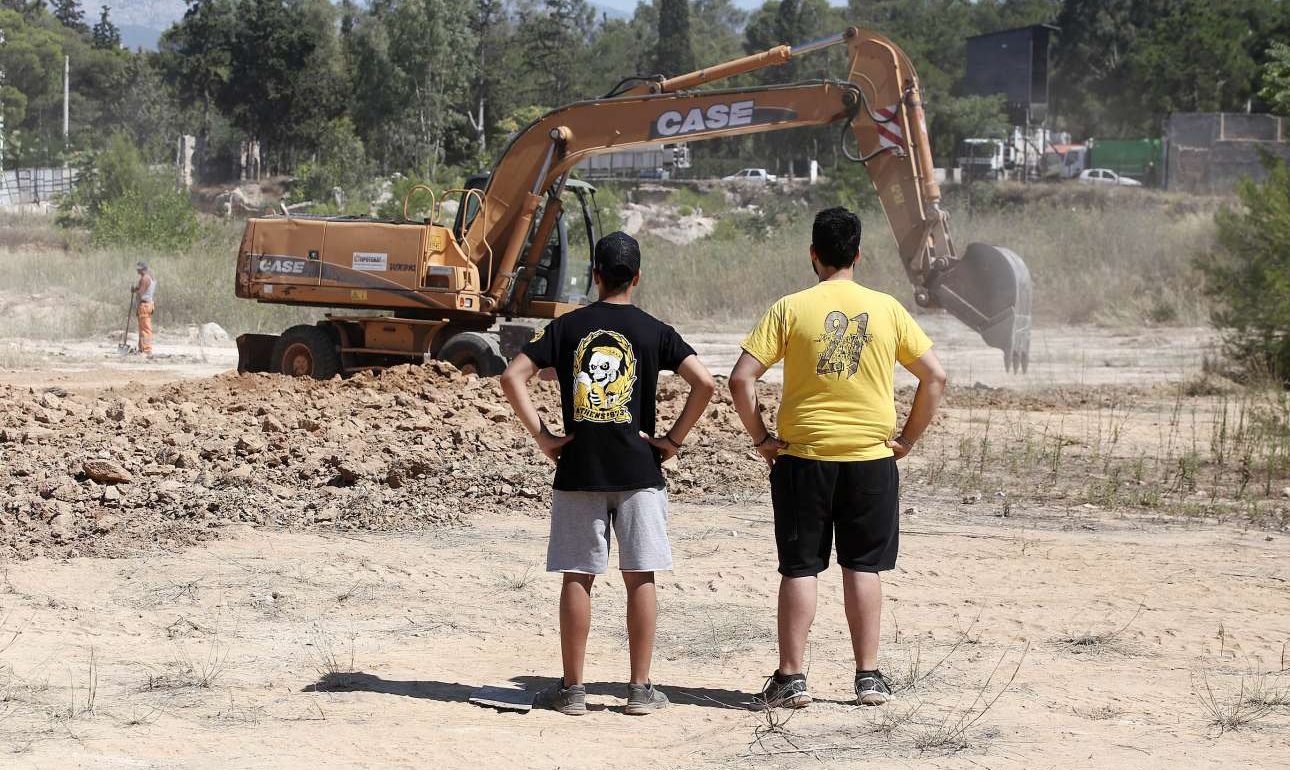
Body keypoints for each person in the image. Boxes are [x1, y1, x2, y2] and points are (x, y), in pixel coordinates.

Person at [729, 207, 946, 708]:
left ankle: (791, 678)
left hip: (803, 458)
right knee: (862, 567)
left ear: (813, 255)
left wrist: (763, 439)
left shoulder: (790, 308)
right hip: (871, 460)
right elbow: (934, 377)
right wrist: (906, 440)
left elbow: (742, 379)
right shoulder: (888, 309)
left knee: (800, 568)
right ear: (858, 254)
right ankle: (868, 677)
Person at [501, 231, 716, 716]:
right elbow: (704, 383)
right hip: (641, 471)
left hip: (579, 469)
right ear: (636, 277)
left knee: (578, 577)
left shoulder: (567, 327)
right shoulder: (654, 330)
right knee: (641, 577)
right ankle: (639, 689)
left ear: (594, 275)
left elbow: (512, 376)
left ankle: (573, 690)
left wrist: (544, 437)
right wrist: (672, 441)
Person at [132, 262, 156, 356]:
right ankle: (142, 348)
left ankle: (147, 350)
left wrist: (136, 291)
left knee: (145, 329)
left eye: (139, 268)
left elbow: (141, 293)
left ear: (144, 269)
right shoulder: (145, 278)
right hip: (145, 305)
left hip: (145, 305)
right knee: (142, 329)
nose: (137, 270)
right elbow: (139, 289)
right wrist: (135, 289)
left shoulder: (145, 278)